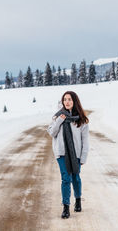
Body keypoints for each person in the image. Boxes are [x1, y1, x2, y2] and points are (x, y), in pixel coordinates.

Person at [47, 91, 89, 219]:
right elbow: (51, 133)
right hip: (61, 153)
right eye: (65, 99)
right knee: (66, 178)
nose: (67, 102)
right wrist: (60, 120)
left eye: (70, 99)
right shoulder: (57, 117)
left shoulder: (81, 120)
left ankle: (78, 199)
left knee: (75, 177)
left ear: (74, 101)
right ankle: (66, 207)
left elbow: (85, 141)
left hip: (75, 154)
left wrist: (83, 157)